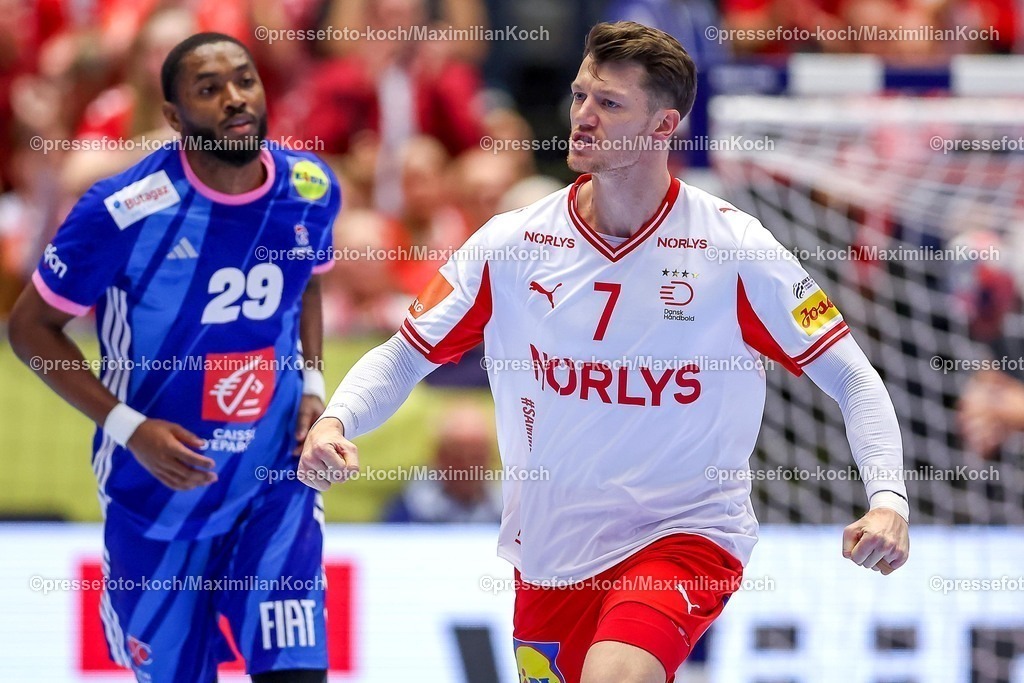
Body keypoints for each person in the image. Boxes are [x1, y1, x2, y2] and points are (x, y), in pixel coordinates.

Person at [299, 21, 910, 683]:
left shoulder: (733, 248)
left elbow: (850, 374)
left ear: (663, 126)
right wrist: (336, 420)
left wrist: (889, 500)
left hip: (684, 533)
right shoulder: (513, 244)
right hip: (551, 552)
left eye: (610, 104)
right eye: (580, 95)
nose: (583, 116)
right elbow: (403, 355)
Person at [9, 33, 339, 683]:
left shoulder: (309, 185)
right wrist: (130, 428)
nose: (234, 99)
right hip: (156, 489)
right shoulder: (122, 210)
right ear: (172, 116)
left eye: (244, 80)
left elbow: (310, 276)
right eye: (208, 89)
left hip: (272, 481)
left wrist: (312, 382)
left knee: (297, 673)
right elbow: (30, 329)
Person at [382, 403, 503, 523]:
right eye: (458, 457)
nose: (468, 467)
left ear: (490, 459)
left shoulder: (508, 508)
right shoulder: (409, 509)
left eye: (476, 457)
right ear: (439, 457)